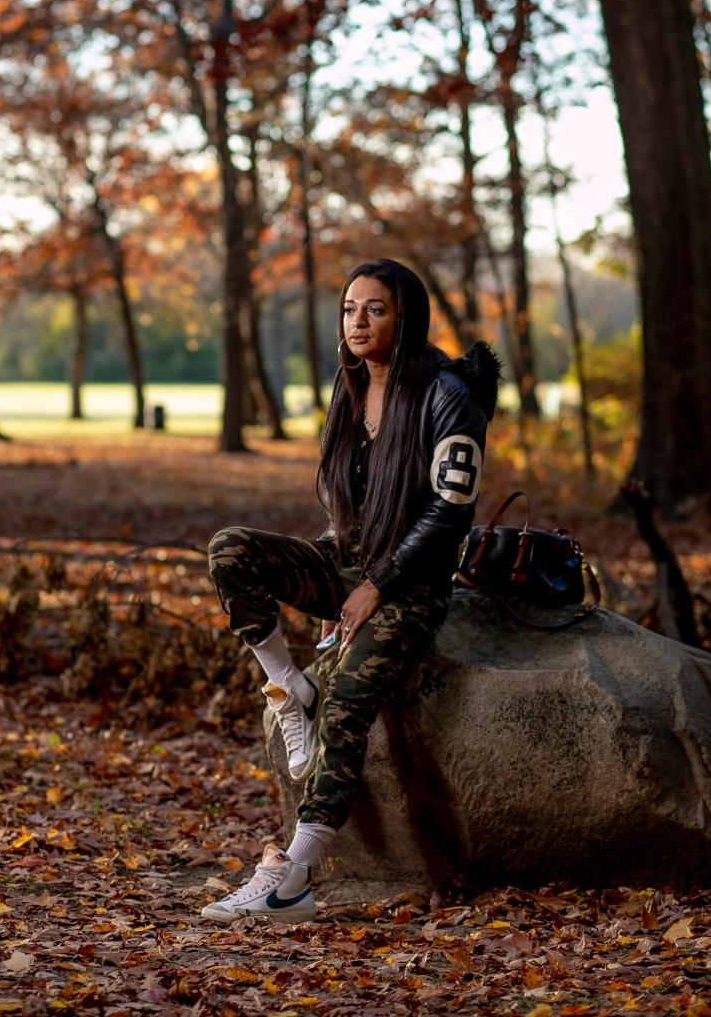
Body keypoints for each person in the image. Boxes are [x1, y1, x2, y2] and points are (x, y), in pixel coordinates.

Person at [202, 259, 500, 923]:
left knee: (349, 700)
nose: (358, 323)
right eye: (349, 310)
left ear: (406, 317)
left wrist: (376, 587)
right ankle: (286, 686)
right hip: (349, 565)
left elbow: (452, 510)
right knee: (230, 549)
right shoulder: (351, 384)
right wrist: (340, 580)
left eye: (376, 310)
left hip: (412, 584)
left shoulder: (449, 394)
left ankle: (294, 876)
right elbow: (349, 502)